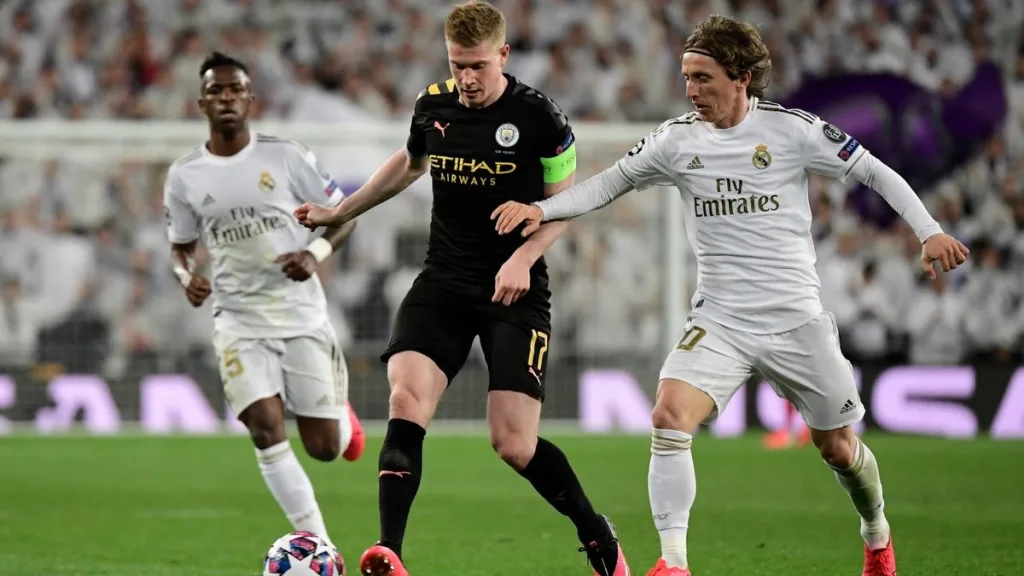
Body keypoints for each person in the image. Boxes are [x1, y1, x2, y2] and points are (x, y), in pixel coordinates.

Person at [491, 14, 969, 576]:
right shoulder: (676, 141)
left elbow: (875, 172)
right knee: (669, 415)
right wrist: (542, 208)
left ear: (741, 77)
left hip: (796, 320)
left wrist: (928, 231)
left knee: (839, 449)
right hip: (721, 320)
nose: (691, 91)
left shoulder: (793, 131)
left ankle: (876, 534)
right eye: (686, 78)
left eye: (704, 78)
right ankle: (673, 563)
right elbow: (609, 184)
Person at [294, 3, 629, 575]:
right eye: (457, 65)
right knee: (406, 400)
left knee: (513, 444)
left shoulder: (541, 117)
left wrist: (523, 258)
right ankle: (389, 552)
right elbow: (409, 164)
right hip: (444, 279)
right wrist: (340, 211)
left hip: (514, 289)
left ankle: (596, 532)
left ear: (503, 55)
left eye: (477, 66)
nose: (467, 79)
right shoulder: (433, 104)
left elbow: (566, 203)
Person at [163, 52, 366, 543]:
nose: (226, 98)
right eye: (215, 91)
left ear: (250, 99)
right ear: (201, 104)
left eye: (235, 89)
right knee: (264, 428)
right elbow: (180, 247)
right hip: (237, 321)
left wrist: (314, 253)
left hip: (300, 315)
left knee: (324, 447)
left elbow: (345, 215)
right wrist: (186, 275)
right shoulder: (185, 176)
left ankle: (343, 421)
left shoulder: (287, 157)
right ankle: (320, 548)